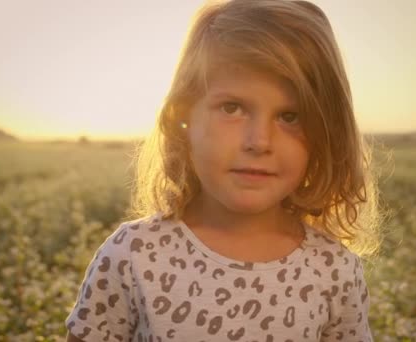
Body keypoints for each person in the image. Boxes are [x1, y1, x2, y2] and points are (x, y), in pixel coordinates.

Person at [65, 0, 382, 341]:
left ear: (326, 134)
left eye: (291, 116)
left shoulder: (334, 270)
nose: (259, 141)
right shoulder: (133, 254)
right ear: (182, 119)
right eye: (232, 108)